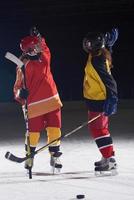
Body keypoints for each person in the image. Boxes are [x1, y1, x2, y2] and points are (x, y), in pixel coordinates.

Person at [13, 27, 63, 172]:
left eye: (37, 46)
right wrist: (20, 95)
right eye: (34, 47)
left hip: (52, 101)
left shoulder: (45, 55)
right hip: (34, 105)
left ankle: (55, 155)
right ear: (28, 50)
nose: (38, 48)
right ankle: (30, 157)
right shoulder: (22, 66)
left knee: (54, 130)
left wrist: (39, 36)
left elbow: (44, 45)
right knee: (33, 133)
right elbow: (16, 88)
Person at [82, 28, 118, 174]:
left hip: (99, 100)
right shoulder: (98, 54)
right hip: (95, 99)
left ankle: (109, 159)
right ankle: (107, 156)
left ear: (96, 46)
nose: (87, 46)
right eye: (86, 43)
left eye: (90, 44)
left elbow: (110, 82)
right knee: (100, 129)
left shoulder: (97, 60)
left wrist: (112, 99)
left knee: (98, 130)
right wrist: (107, 44)